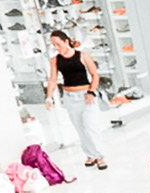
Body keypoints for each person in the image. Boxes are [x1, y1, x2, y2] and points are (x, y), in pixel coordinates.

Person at [45, 30, 107, 170]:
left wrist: (91, 92)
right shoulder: (55, 59)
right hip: (70, 97)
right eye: (54, 45)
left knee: (91, 126)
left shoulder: (82, 56)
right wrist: (49, 97)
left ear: (66, 41)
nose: (56, 47)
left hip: (86, 95)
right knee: (80, 128)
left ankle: (99, 156)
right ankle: (90, 155)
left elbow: (95, 75)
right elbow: (53, 79)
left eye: (58, 44)